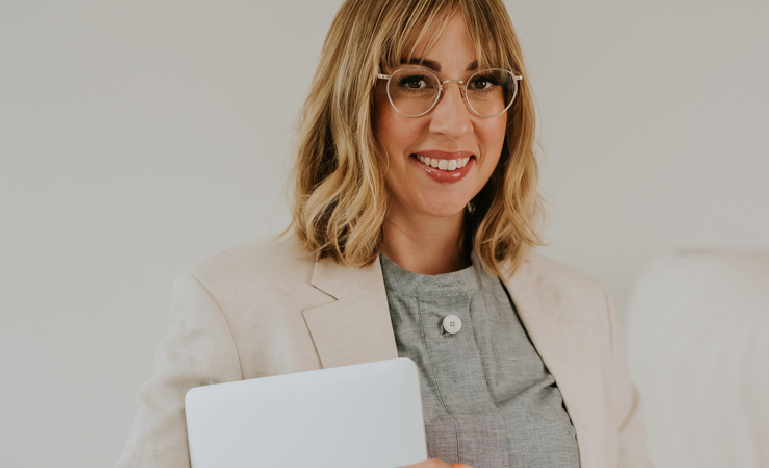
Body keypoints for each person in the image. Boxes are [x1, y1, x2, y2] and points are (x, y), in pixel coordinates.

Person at [115, 0, 651, 467]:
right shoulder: (230, 307)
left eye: (482, 82)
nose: (453, 123)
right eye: (415, 81)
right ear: (355, 100)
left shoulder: (585, 310)